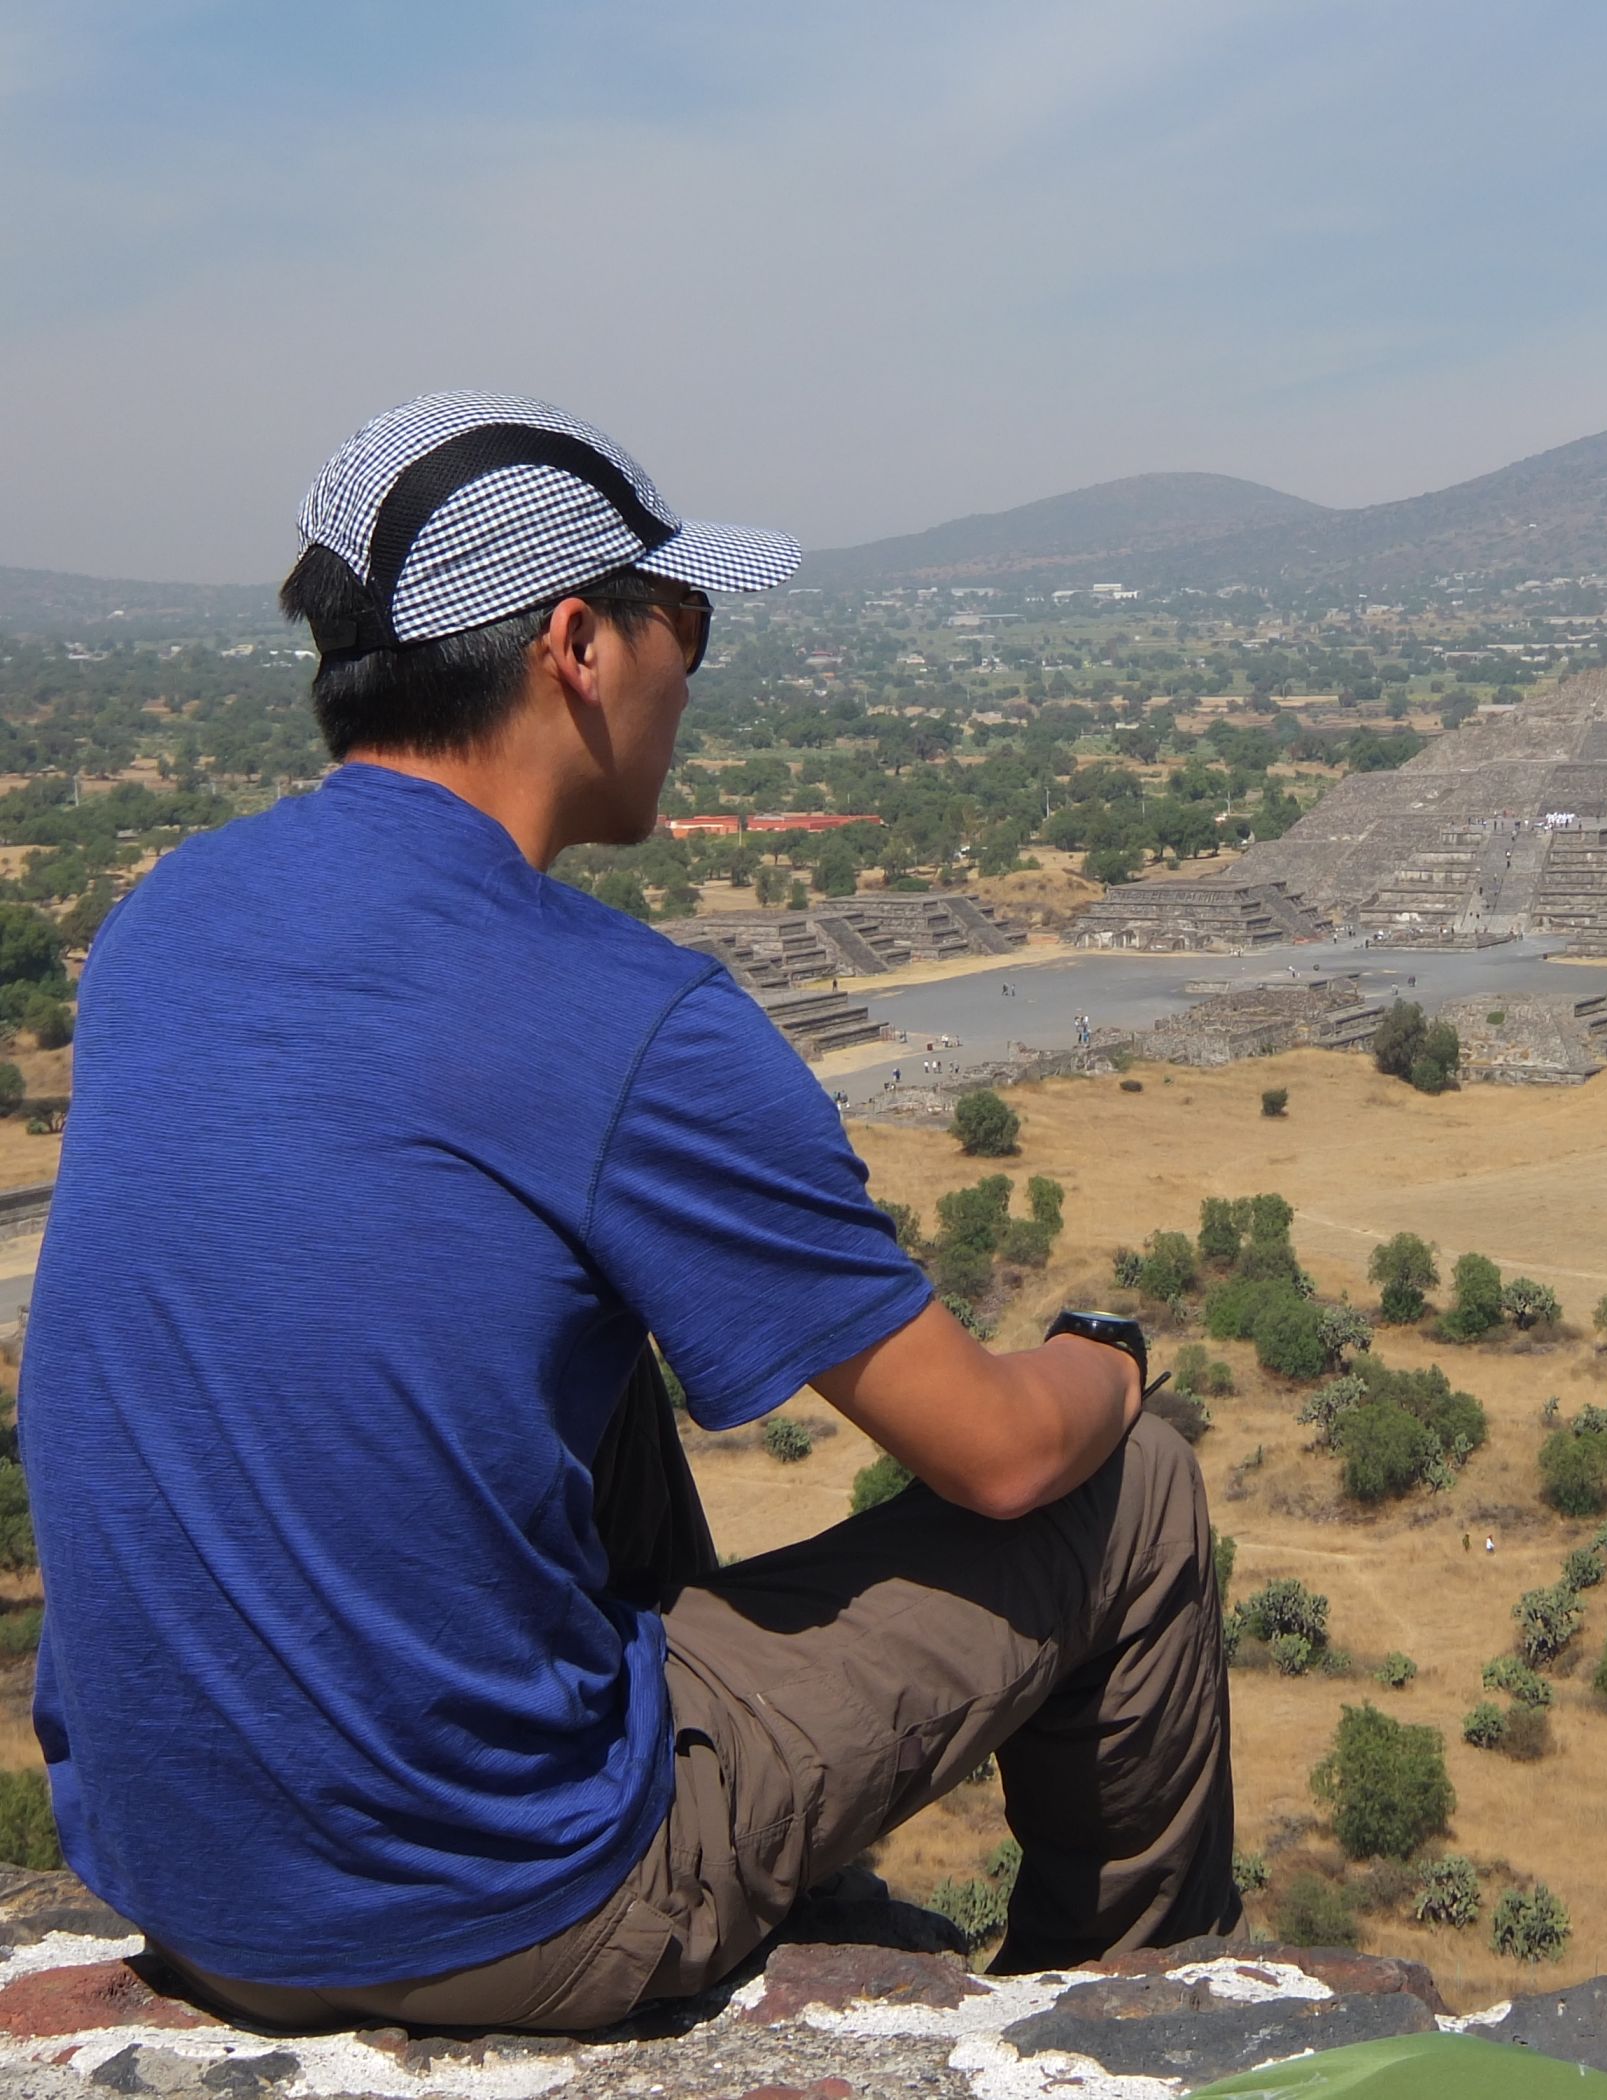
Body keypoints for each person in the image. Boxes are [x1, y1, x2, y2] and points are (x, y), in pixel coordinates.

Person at [20, 393, 1237, 2034]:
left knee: (576, 1359)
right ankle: (1149, 2022)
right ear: (578, 645)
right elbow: (1002, 1456)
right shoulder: (625, 1017)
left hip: (182, 1877)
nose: (692, 669)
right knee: (1135, 1492)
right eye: (688, 621)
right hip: (499, 1910)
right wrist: (1107, 1354)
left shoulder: (167, 917)